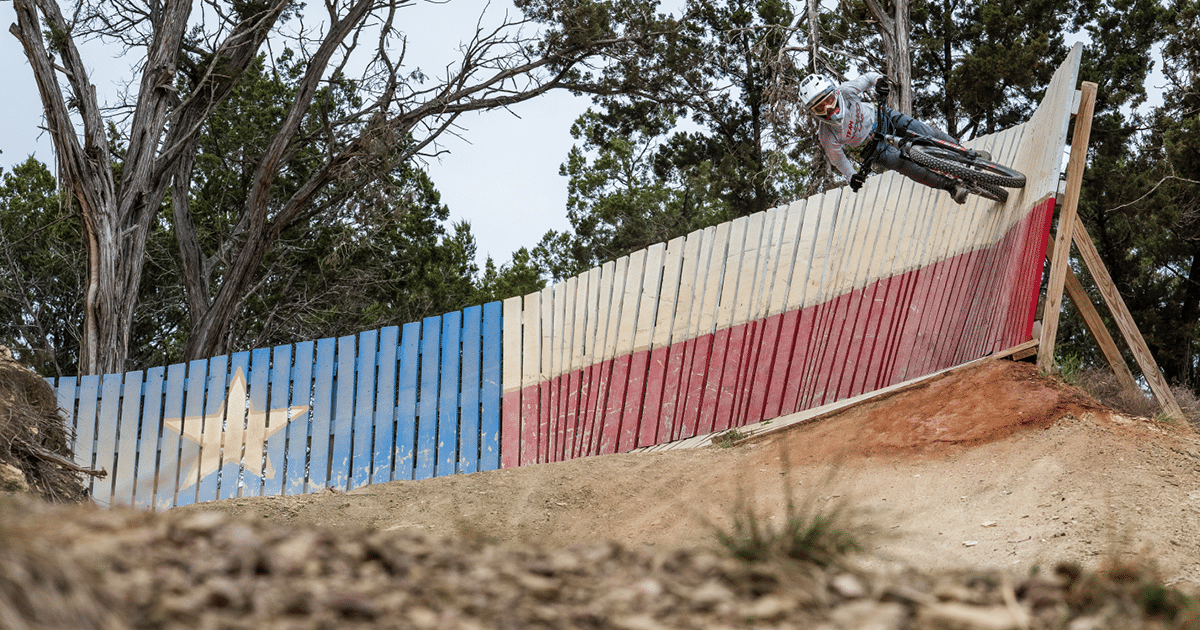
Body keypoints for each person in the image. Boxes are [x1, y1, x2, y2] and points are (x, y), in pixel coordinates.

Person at [800, 72, 985, 205]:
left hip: (883, 118)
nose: (828, 109)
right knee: (902, 164)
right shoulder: (826, 134)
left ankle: (965, 153)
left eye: (828, 101)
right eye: (819, 108)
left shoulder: (847, 91)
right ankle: (951, 187)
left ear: (835, 92)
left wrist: (879, 81)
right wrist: (852, 177)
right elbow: (838, 160)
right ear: (813, 113)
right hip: (870, 148)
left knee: (923, 131)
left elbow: (868, 78)